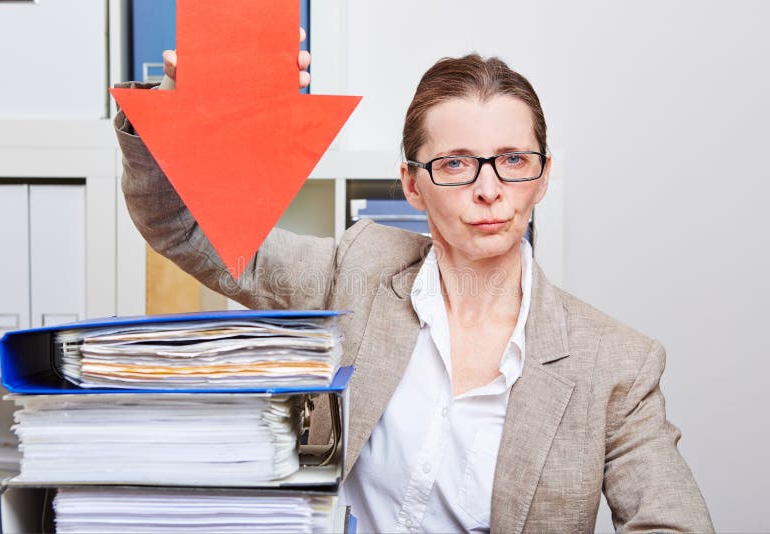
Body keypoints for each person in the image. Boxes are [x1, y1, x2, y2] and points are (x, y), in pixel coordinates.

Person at [114, 30, 714, 533]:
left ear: (543, 175)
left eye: (513, 160)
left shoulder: (616, 364)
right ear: (411, 183)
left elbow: (675, 523)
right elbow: (182, 228)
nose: (488, 189)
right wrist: (175, 113)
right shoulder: (357, 270)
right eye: (454, 163)